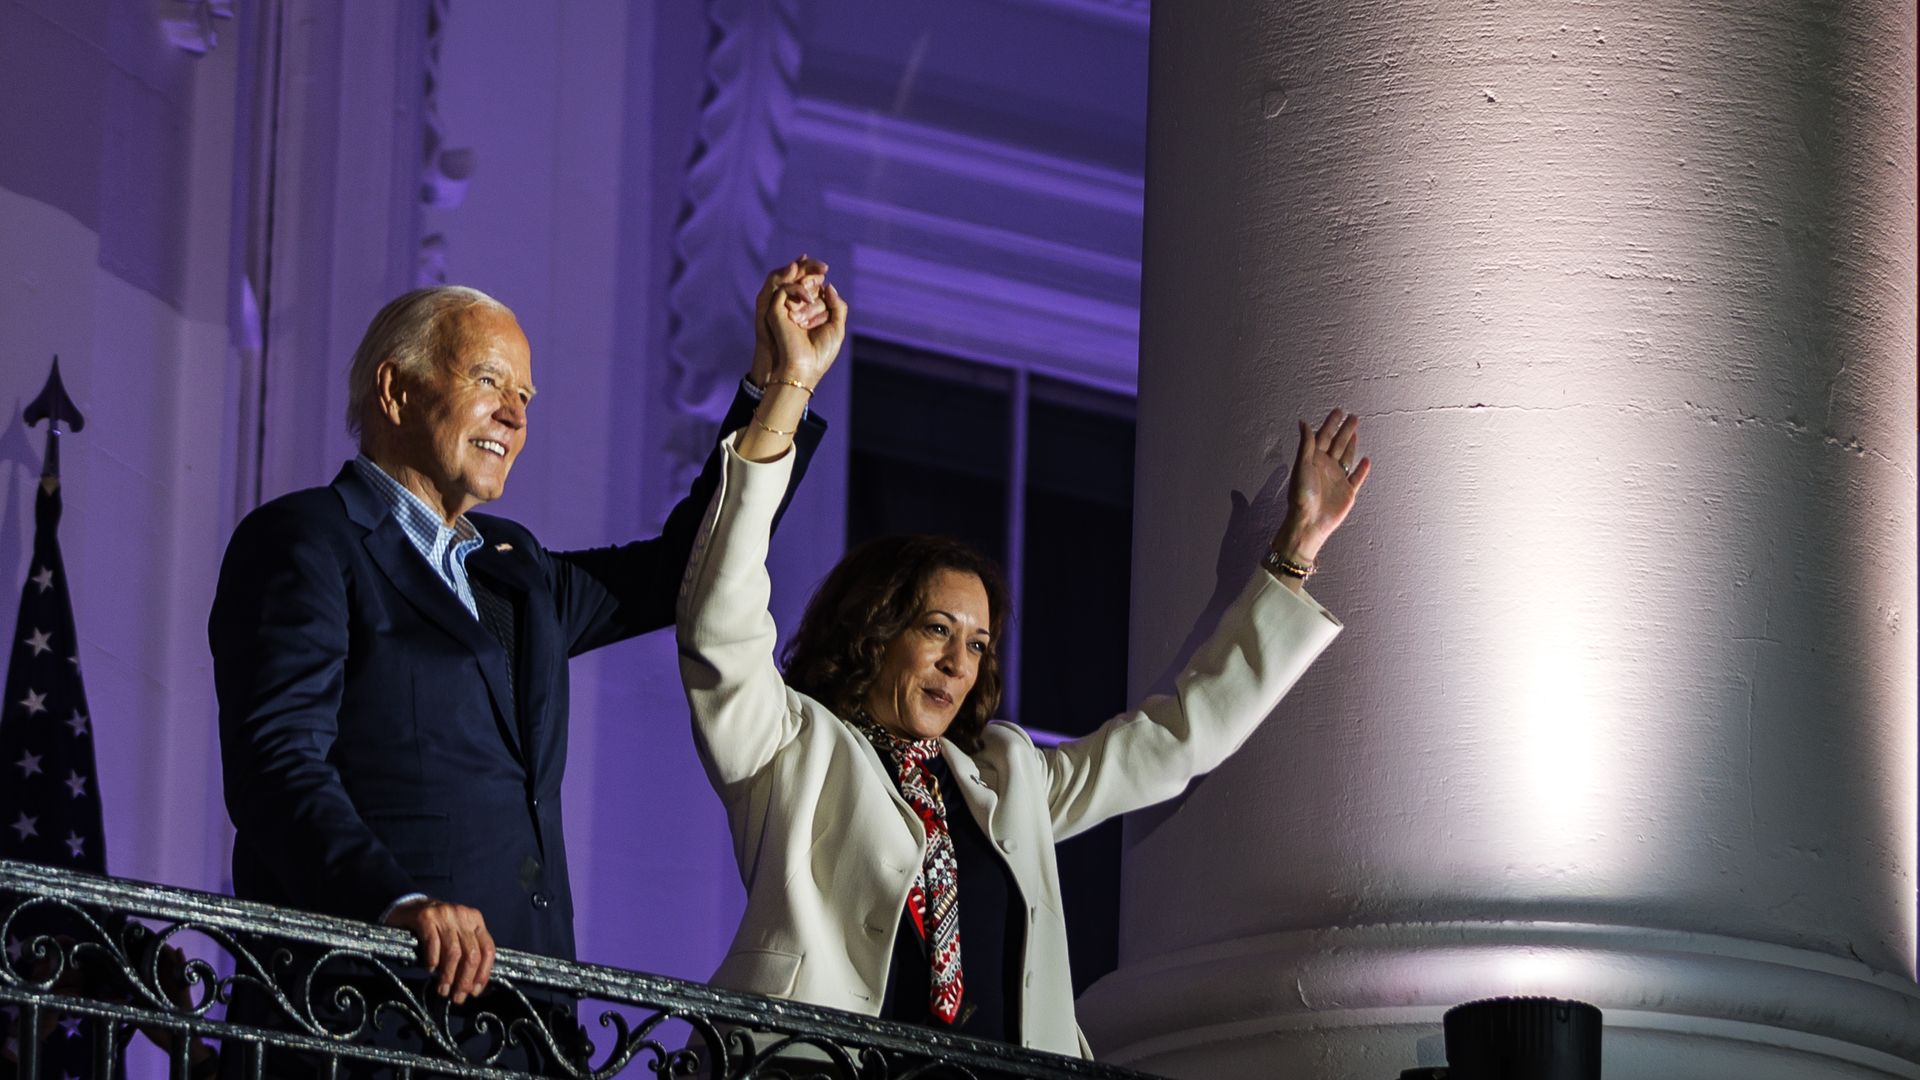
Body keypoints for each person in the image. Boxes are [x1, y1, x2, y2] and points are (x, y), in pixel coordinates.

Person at [675, 282, 1371, 1056]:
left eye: (977, 645)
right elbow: (720, 617)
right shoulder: (789, 749)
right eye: (937, 629)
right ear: (874, 631)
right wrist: (789, 387)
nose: (957, 663)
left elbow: (1175, 740)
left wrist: (1293, 557)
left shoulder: (1005, 776)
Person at [208, 259, 833, 1011]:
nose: (515, 414)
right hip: (367, 1002)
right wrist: (392, 903)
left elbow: (683, 569)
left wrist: (778, 387)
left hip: (524, 1017)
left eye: (525, 396)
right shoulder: (307, 541)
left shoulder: (515, 570)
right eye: (489, 381)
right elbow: (277, 767)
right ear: (396, 389)